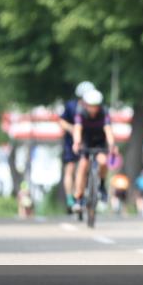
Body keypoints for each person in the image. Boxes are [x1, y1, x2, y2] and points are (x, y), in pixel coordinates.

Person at [71, 88, 117, 210]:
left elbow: (108, 130)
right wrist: (76, 142)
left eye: (96, 106)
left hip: (100, 140)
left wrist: (112, 145)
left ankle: (101, 185)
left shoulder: (104, 112)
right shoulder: (80, 112)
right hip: (86, 140)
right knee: (82, 165)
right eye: (91, 106)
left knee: (103, 161)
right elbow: (77, 129)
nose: (93, 109)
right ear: (86, 105)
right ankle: (79, 197)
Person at [58, 81, 95, 214]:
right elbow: (61, 121)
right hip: (71, 142)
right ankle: (70, 198)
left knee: (84, 167)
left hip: (87, 140)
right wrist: (72, 129)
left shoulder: (93, 107)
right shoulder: (71, 106)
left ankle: (83, 192)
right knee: (70, 168)